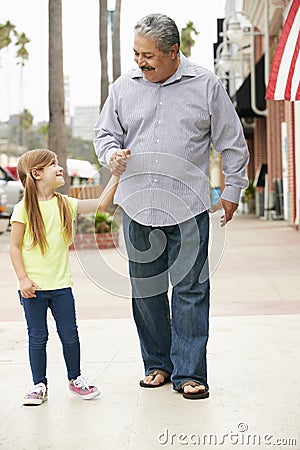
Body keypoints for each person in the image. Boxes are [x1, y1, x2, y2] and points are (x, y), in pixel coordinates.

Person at [93, 14, 249, 400]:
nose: (140, 62)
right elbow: (104, 133)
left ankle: (190, 372)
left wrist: (232, 192)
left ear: (173, 51)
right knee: (146, 294)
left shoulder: (206, 85)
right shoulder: (123, 87)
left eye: (148, 55)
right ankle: (158, 365)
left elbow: (232, 141)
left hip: (189, 208)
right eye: (136, 54)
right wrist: (111, 154)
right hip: (137, 206)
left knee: (191, 290)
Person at [10, 148, 128, 406]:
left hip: (62, 287)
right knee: (37, 337)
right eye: (53, 164)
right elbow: (14, 247)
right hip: (33, 290)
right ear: (37, 173)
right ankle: (39, 385)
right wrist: (22, 279)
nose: (59, 167)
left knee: (70, 334)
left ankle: (75, 379)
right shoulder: (22, 209)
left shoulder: (65, 204)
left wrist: (116, 175)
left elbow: (100, 204)